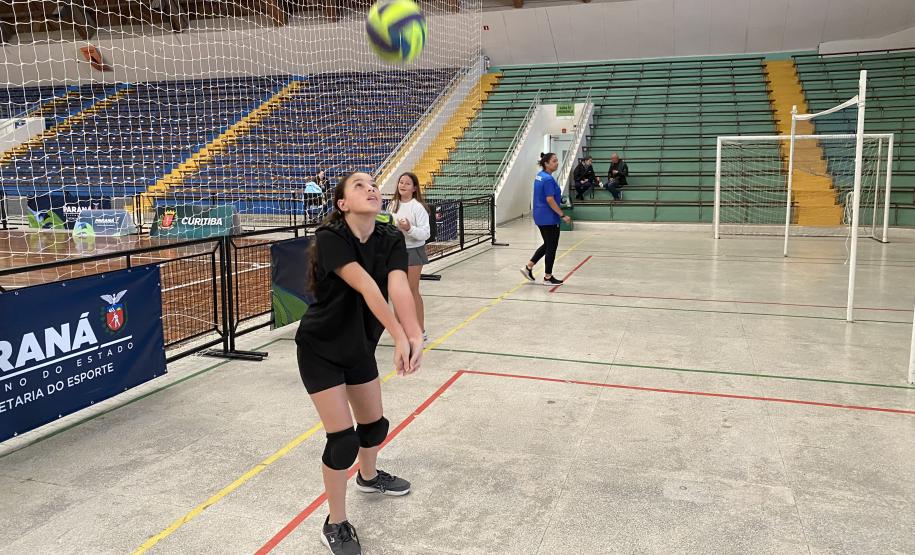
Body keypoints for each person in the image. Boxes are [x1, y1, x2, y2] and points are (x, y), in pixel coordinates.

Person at [296, 172, 423, 555]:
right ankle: (335, 523)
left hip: (359, 348)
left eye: (373, 184)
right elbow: (368, 286)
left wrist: (414, 334)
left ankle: (368, 478)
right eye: (359, 185)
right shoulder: (331, 236)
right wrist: (398, 335)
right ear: (342, 204)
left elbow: (399, 285)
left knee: (374, 426)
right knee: (343, 442)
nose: (371, 188)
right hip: (320, 348)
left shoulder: (390, 237)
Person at [390, 172, 431, 343]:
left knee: (412, 291)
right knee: (397, 293)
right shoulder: (393, 205)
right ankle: (401, 331)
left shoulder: (418, 207)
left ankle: (420, 331)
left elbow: (425, 233)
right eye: (401, 182)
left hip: (413, 251)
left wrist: (409, 229)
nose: (403, 185)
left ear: (414, 188)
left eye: (407, 183)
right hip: (395, 252)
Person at [521, 152, 572, 286]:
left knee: (548, 244)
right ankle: (548, 277)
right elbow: (549, 199)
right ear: (546, 163)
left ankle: (528, 267)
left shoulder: (540, 176)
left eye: (557, 160)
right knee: (551, 247)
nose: (557, 163)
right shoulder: (548, 179)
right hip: (549, 218)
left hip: (539, 215)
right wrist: (562, 215)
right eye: (554, 161)